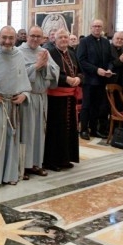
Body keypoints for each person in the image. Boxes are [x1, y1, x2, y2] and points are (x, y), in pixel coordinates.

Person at [0, 26, 31, 187]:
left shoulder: (19, 55)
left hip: (14, 105)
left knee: (12, 141)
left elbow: (24, 79)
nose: (7, 41)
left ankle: (9, 175)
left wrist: (24, 94)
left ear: (15, 39)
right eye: (4, 37)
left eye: (11, 38)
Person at [19, 26, 59, 178]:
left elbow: (55, 70)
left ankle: (36, 163)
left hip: (42, 97)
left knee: (39, 132)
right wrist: (36, 66)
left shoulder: (44, 52)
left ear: (43, 38)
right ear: (27, 36)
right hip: (27, 97)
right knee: (26, 131)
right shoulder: (18, 52)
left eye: (38, 36)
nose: (35, 39)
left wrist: (45, 65)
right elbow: (17, 74)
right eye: (32, 35)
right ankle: (23, 165)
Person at [45, 29, 82, 170]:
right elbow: (49, 74)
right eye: (60, 37)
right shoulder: (50, 53)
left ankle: (65, 159)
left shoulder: (72, 53)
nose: (63, 40)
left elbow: (80, 71)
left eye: (66, 37)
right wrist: (66, 79)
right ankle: (52, 161)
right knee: (56, 129)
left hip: (70, 97)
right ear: (54, 39)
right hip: (55, 98)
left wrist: (78, 78)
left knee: (69, 129)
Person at [76, 19, 114, 139]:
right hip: (89, 80)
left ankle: (93, 129)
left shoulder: (106, 42)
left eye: (99, 26)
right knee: (87, 106)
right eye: (95, 26)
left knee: (97, 106)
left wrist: (109, 69)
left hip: (102, 80)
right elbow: (81, 60)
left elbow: (111, 59)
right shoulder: (84, 41)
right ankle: (83, 130)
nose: (97, 28)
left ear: (102, 28)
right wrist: (96, 70)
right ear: (91, 27)